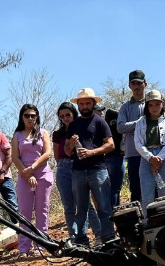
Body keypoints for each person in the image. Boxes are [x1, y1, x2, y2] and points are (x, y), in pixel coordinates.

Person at [65, 88, 116, 245]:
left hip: (98, 169)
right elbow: (67, 151)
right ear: (78, 105)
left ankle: (108, 238)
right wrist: (72, 144)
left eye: (88, 103)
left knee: (104, 206)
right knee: (80, 209)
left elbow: (111, 145)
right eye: (82, 103)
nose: (85, 106)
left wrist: (92, 152)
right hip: (78, 171)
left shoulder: (100, 122)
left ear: (94, 103)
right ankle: (81, 240)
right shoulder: (73, 125)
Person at [52, 102, 101, 239]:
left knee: (86, 204)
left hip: (80, 167)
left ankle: (99, 234)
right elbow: (57, 155)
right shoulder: (58, 134)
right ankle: (75, 238)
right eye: (62, 116)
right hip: (63, 168)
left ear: (74, 113)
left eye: (68, 114)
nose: (65, 118)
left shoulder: (83, 128)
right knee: (69, 206)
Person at [11, 104, 53, 256]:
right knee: (24, 212)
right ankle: (23, 248)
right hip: (24, 177)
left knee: (42, 210)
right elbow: (14, 157)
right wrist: (28, 174)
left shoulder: (43, 133)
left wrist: (33, 167)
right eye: (27, 115)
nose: (30, 118)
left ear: (37, 117)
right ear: (22, 117)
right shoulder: (17, 135)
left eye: (33, 115)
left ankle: (40, 246)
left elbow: (47, 153)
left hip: (43, 174)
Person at [133, 90, 165, 217]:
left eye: (157, 104)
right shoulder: (140, 122)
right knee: (147, 195)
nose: (154, 107)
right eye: (151, 105)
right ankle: (148, 223)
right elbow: (138, 142)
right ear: (147, 106)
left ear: (162, 104)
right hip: (146, 156)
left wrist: (159, 158)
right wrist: (151, 158)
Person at [117, 70, 147, 203]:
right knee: (135, 189)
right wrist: (141, 122)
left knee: (155, 188)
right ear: (130, 85)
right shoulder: (125, 107)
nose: (136, 86)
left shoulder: (153, 103)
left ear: (145, 84)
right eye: (133, 83)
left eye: (139, 83)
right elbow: (120, 127)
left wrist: (132, 126)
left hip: (151, 153)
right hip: (133, 154)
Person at [95, 103, 124, 207]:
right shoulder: (107, 121)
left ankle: (111, 211)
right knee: (115, 188)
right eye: (98, 111)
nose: (101, 113)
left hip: (106, 159)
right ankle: (115, 212)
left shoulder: (101, 124)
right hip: (114, 158)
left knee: (110, 188)